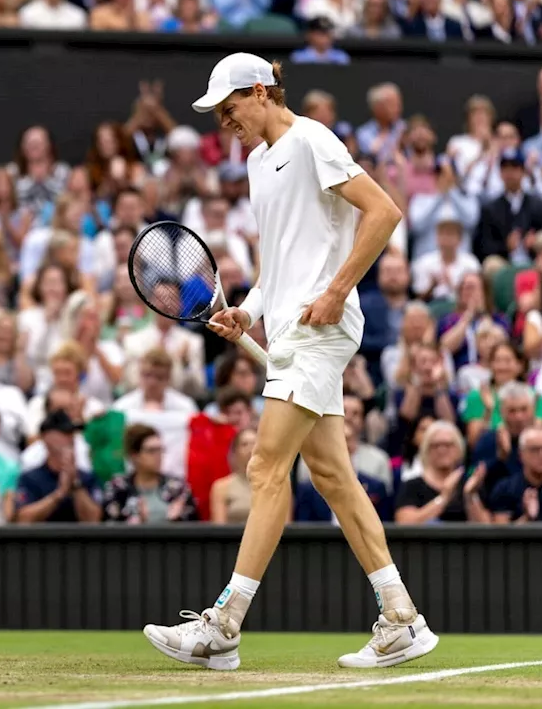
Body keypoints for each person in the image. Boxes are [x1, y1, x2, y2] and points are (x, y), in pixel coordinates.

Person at [144, 53, 437, 672]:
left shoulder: (310, 139)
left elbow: (383, 212)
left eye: (230, 109)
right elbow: (279, 264)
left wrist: (335, 291)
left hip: (318, 330)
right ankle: (402, 619)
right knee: (333, 478)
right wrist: (248, 310)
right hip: (289, 328)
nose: (226, 123)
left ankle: (223, 624)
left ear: (260, 92)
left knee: (265, 466)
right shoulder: (255, 162)